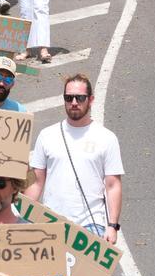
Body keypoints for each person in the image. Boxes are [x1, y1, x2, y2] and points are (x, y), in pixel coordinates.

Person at [26, 74, 124, 241]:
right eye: (68, 97)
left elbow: (113, 185)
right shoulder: (47, 135)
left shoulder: (107, 138)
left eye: (80, 98)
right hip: (51, 224)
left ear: (90, 99)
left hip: (91, 226)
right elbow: (37, 182)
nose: (74, 102)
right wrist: (22, 217)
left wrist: (112, 226)